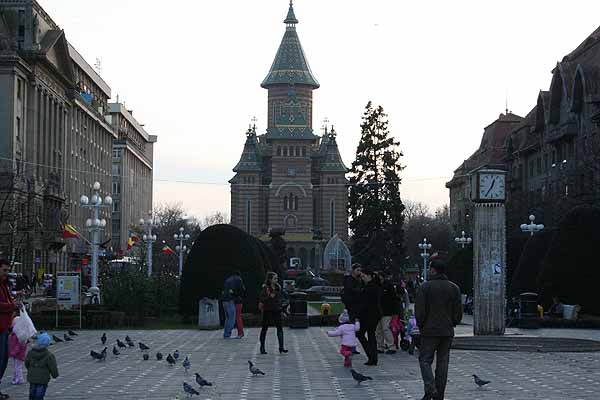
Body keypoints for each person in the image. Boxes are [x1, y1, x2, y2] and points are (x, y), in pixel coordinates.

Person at [415, 259, 462, 400]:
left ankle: (431, 389)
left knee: (425, 360)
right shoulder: (454, 288)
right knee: (443, 362)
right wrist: (453, 323)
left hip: (429, 331)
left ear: (433, 270)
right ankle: (439, 394)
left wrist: (421, 325)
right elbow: (458, 312)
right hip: (447, 331)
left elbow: (420, 312)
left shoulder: (425, 287)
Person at [0, 259, 18, 399]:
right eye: (4, 270)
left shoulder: (4, 284)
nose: (6, 273)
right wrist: (12, 305)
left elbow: (7, 302)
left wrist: (14, 302)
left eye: (8, 270)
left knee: (4, 359)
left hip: (5, 327)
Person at [356, 270, 382, 366]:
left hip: (368, 315)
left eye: (364, 276)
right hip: (375, 314)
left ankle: (371, 355)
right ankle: (373, 357)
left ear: (369, 276)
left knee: (361, 334)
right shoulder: (374, 286)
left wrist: (358, 315)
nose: (362, 278)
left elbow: (364, 303)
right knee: (371, 335)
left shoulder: (369, 288)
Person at [258, 272, 287, 354]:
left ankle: (281, 347)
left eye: (277, 278)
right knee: (264, 328)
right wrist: (269, 297)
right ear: (270, 279)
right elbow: (262, 299)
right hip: (268, 310)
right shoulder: (266, 288)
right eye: (274, 278)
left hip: (277, 309)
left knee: (279, 328)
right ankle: (262, 347)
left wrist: (281, 304)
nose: (276, 280)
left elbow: (281, 297)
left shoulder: (278, 287)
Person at [25, 333, 59, 400]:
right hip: (43, 379)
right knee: (39, 393)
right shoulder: (49, 355)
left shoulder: (30, 353)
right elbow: (53, 367)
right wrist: (55, 375)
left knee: (32, 391)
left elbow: (26, 363)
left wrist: (30, 369)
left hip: (32, 377)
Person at [377, 273, 400, 354]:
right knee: (378, 330)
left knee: (385, 328)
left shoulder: (388, 286)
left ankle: (391, 346)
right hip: (378, 312)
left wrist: (395, 312)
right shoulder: (376, 286)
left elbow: (394, 299)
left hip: (387, 311)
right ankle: (380, 346)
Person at [222, 271, 244, 339]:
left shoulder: (228, 279)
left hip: (225, 300)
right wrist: (235, 293)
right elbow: (242, 290)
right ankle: (235, 333)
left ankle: (226, 333)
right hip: (233, 300)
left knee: (228, 318)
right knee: (234, 318)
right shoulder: (238, 279)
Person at [8, 316, 27, 385]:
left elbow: (19, 346)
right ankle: (16, 378)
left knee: (18, 367)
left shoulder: (19, 334)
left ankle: (19, 379)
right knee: (16, 367)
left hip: (18, 354)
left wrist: (13, 352)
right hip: (16, 353)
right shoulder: (15, 333)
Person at [233, 273, 247, 338]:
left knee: (238, 317)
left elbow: (237, 293)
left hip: (237, 302)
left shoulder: (237, 282)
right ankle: (241, 332)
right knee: (238, 317)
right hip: (239, 301)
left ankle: (240, 333)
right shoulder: (241, 282)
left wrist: (233, 292)